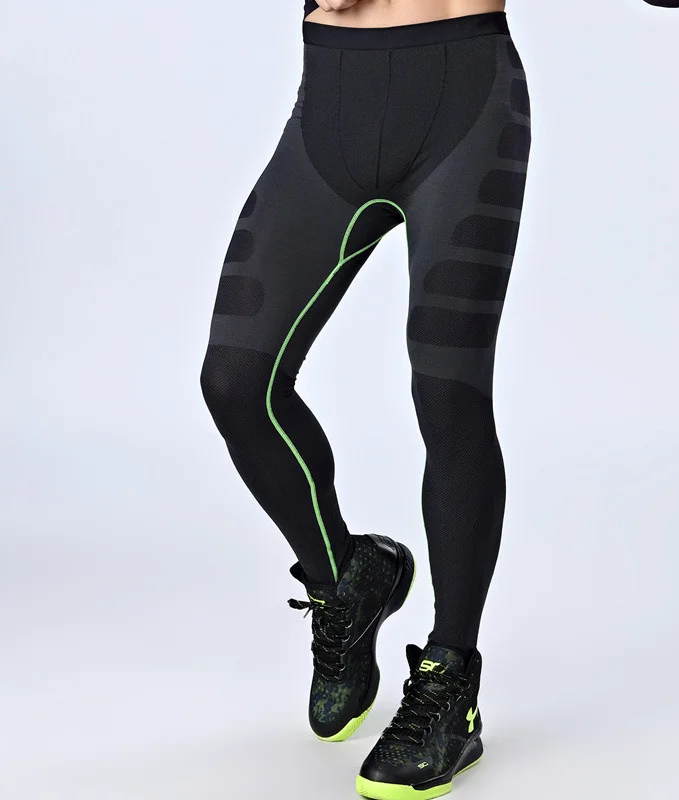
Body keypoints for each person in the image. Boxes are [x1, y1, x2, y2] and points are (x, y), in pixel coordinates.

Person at [200, 1, 528, 797]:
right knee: (236, 383)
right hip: (333, 105)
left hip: (463, 100)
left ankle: (451, 680)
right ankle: (347, 580)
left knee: (448, 395)